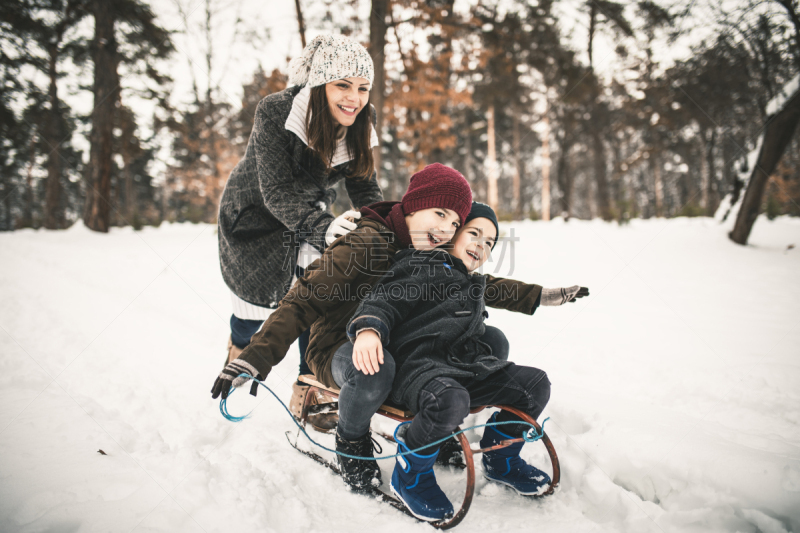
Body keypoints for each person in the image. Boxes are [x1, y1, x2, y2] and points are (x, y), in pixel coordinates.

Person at [211, 163, 473, 489]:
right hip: (337, 345)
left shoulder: (428, 252)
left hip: (394, 342)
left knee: (462, 344)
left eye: (455, 222)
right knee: (375, 367)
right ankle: (350, 443)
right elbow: (302, 300)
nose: (447, 228)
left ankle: (432, 426)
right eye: (440, 213)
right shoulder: (365, 243)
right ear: (416, 203)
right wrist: (256, 356)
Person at [346, 201, 589, 521]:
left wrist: (546, 295)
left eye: (489, 242)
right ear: (452, 234)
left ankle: (500, 458)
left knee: (534, 385)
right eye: (474, 233)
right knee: (449, 399)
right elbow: (383, 300)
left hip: (464, 365)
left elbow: (508, 291)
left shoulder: (473, 284)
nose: (481, 244)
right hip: (418, 367)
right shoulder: (420, 264)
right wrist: (369, 329)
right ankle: (411, 475)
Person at [216, 35, 384, 428]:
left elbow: (364, 187)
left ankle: (310, 387)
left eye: (362, 88)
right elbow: (275, 190)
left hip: (307, 215)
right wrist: (325, 227)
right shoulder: (276, 111)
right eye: (342, 85)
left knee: (317, 292)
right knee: (252, 308)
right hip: (255, 217)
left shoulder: (361, 118)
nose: (354, 98)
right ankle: (240, 345)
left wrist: (383, 228)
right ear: (320, 84)